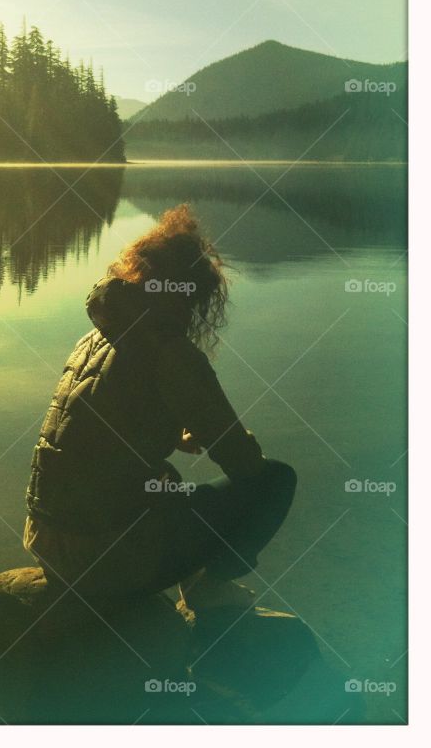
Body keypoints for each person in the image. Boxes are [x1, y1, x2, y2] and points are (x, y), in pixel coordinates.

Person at [23, 204, 296, 612]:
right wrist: (217, 432)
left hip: (44, 538)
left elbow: (96, 434)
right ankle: (210, 587)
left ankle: (183, 581)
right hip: (99, 560)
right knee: (275, 480)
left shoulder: (97, 335)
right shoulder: (170, 351)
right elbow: (243, 462)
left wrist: (168, 433)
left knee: (163, 478)